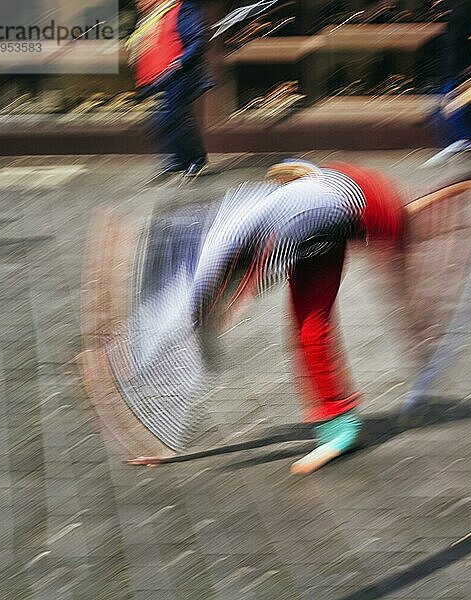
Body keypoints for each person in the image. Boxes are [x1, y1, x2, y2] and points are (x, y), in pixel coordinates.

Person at [121, 160, 407, 474]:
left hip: (355, 202)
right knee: (309, 330)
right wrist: (164, 445)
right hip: (315, 226)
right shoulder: (220, 234)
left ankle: (343, 428)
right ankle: (341, 426)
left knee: (401, 243)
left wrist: (162, 436)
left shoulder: (223, 242)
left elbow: (198, 334)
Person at [128, 0, 213, 182]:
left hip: (180, 74)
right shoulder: (150, 18)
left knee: (171, 117)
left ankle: (195, 159)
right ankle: (180, 160)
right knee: (165, 121)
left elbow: (197, 39)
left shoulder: (180, 8)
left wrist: (180, 62)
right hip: (158, 79)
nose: (139, 3)